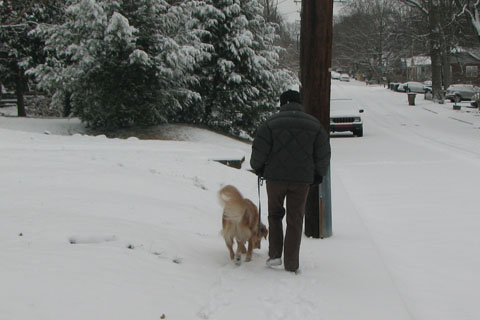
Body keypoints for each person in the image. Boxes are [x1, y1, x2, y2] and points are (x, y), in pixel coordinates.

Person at [250, 89, 331, 273]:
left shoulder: (270, 123)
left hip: (275, 179)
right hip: (302, 181)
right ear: (299, 104)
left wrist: (258, 167)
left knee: (275, 215)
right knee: (295, 219)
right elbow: (324, 153)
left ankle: (275, 255)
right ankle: (292, 263)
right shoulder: (314, 125)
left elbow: (259, 149)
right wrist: (318, 174)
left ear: (282, 103)